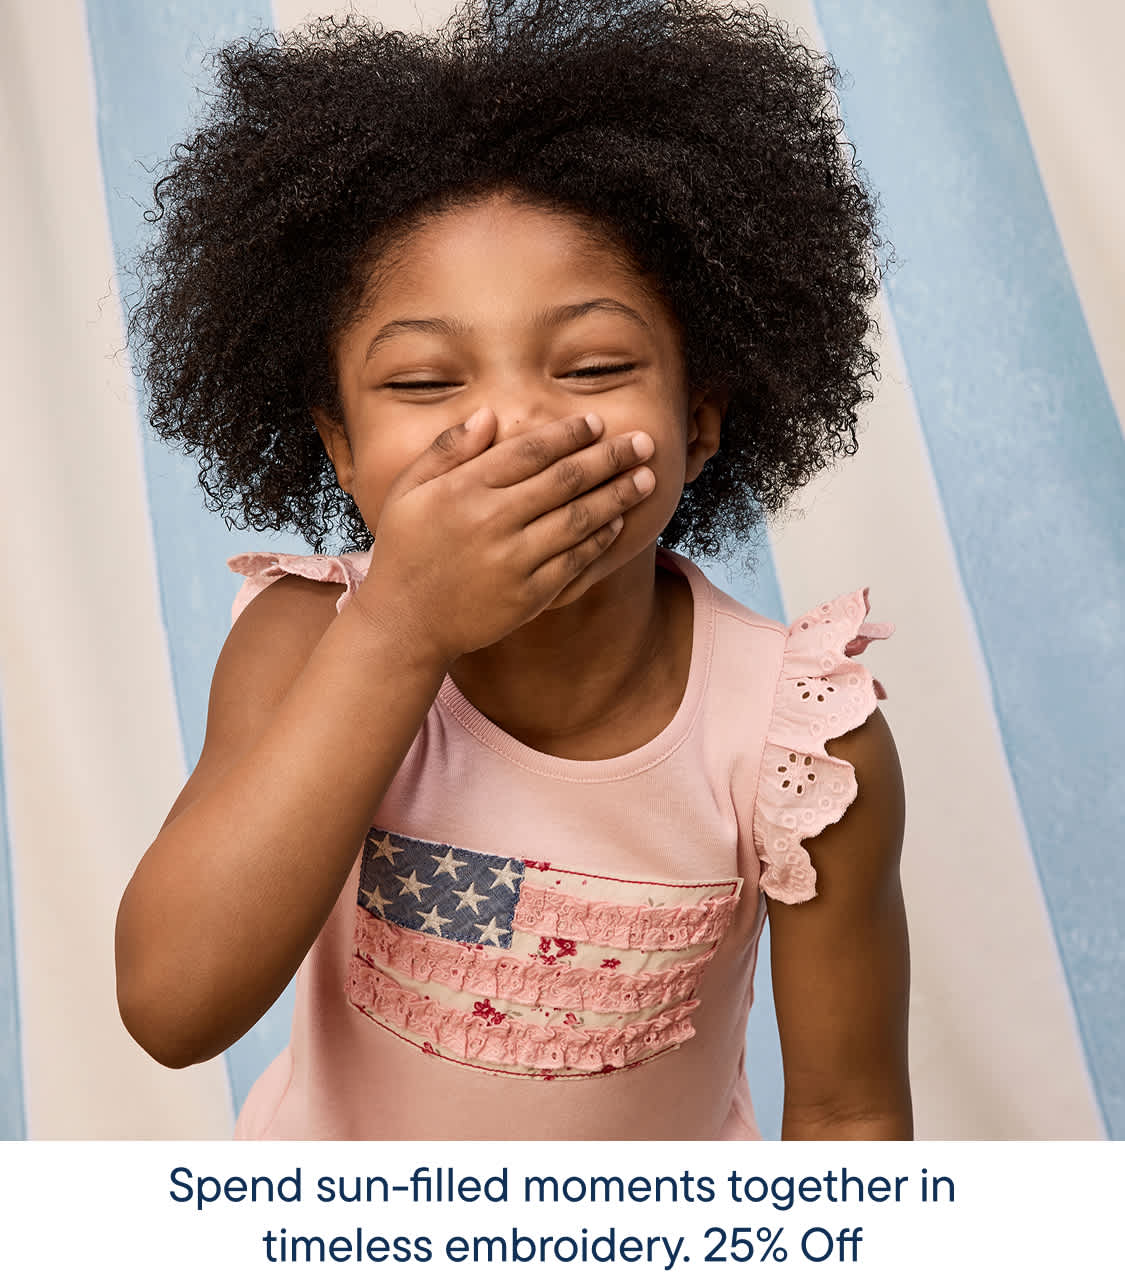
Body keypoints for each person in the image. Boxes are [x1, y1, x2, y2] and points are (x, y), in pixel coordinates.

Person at [116, 0, 910, 1140]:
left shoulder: (801, 740)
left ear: (699, 418)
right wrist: (401, 625)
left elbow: (850, 1111)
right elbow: (172, 1002)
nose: (512, 424)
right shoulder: (306, 638)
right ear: (338, 446)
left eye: (590, 364)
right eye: (426, 382)